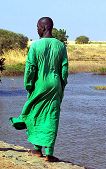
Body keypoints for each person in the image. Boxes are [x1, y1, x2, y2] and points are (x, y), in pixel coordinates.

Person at [9, 17, 68, 162]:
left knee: (36, 113)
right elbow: (64, 69)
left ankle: (37, 149)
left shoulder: (35, 46)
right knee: (52, 116)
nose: (36, 29)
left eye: (37, 27)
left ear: (44, 27)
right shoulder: (61, 45)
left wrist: (29, 85)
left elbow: (30, 68)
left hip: (39, 84)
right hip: (55, 84)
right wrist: (61, 85)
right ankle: (49, 152)